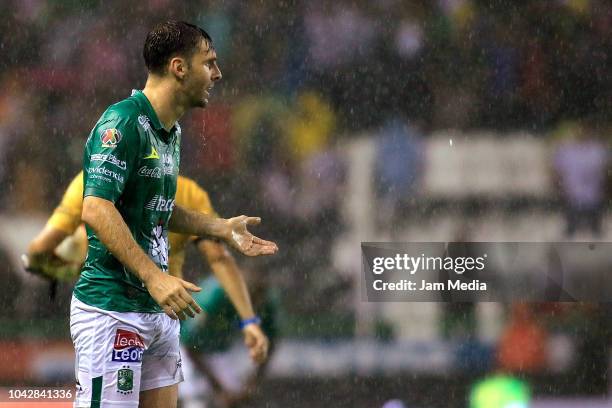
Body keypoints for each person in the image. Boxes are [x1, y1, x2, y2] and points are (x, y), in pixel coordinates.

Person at [70, 21, 277, 408]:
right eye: (209, 63)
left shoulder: (171, 131)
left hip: (160, 313)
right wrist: (154, 278)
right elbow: (96, 208)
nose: (217, 74)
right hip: (114, 312)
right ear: (179, 68)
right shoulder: (123, 123)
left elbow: (158, 209)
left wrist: (220, 228)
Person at [26, 172, 272, 406]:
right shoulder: (187, 191)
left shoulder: (89, 181)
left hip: (114, 313)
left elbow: (39, 250)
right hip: (164, 316)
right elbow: (218, 257)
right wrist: (248, 320)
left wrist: (55, 267)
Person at [180, 269, 278, 408]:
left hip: (221, 349)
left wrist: (252, 382)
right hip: (185, 348)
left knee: (236, 399)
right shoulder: (213, 297)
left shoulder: (264, 303)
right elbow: (190, 347)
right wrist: (218, 388)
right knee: (195, 398)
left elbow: (270, 343)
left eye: (256, 303)